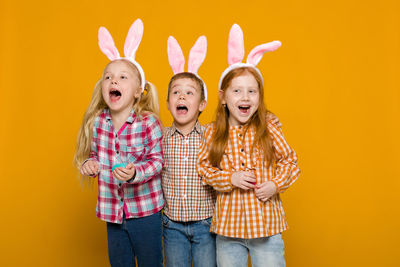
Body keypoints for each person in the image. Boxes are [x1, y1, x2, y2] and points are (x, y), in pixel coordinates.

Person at [197, 24, 300, 267]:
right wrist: (229, 179)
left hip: (267, 225)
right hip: (229, 229)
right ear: (223, 97)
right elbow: (204, 169)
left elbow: (290, 161)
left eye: (252, 91)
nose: (245, 97)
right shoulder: (213, 132)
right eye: (237, 91)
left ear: (259, 97)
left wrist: (276, 184)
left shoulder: (269, 127)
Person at [73, 19, 164, 267]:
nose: (113, 82)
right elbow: (95, 156)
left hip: (146, 213)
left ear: (137, 90)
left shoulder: (148, 123)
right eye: (108, 77)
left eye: (123, 77)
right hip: (113, 212)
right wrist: (90, 165)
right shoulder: (98, 123)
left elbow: (157, 162)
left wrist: (136, 171)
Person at [161, 35, 217, 267]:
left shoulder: (212, 135)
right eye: (176, 92)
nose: (182, 96)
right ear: (167, 103)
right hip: (171, 225)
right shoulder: (159, 136)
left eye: (189, 93)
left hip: (206, 223)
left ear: (202, 105)